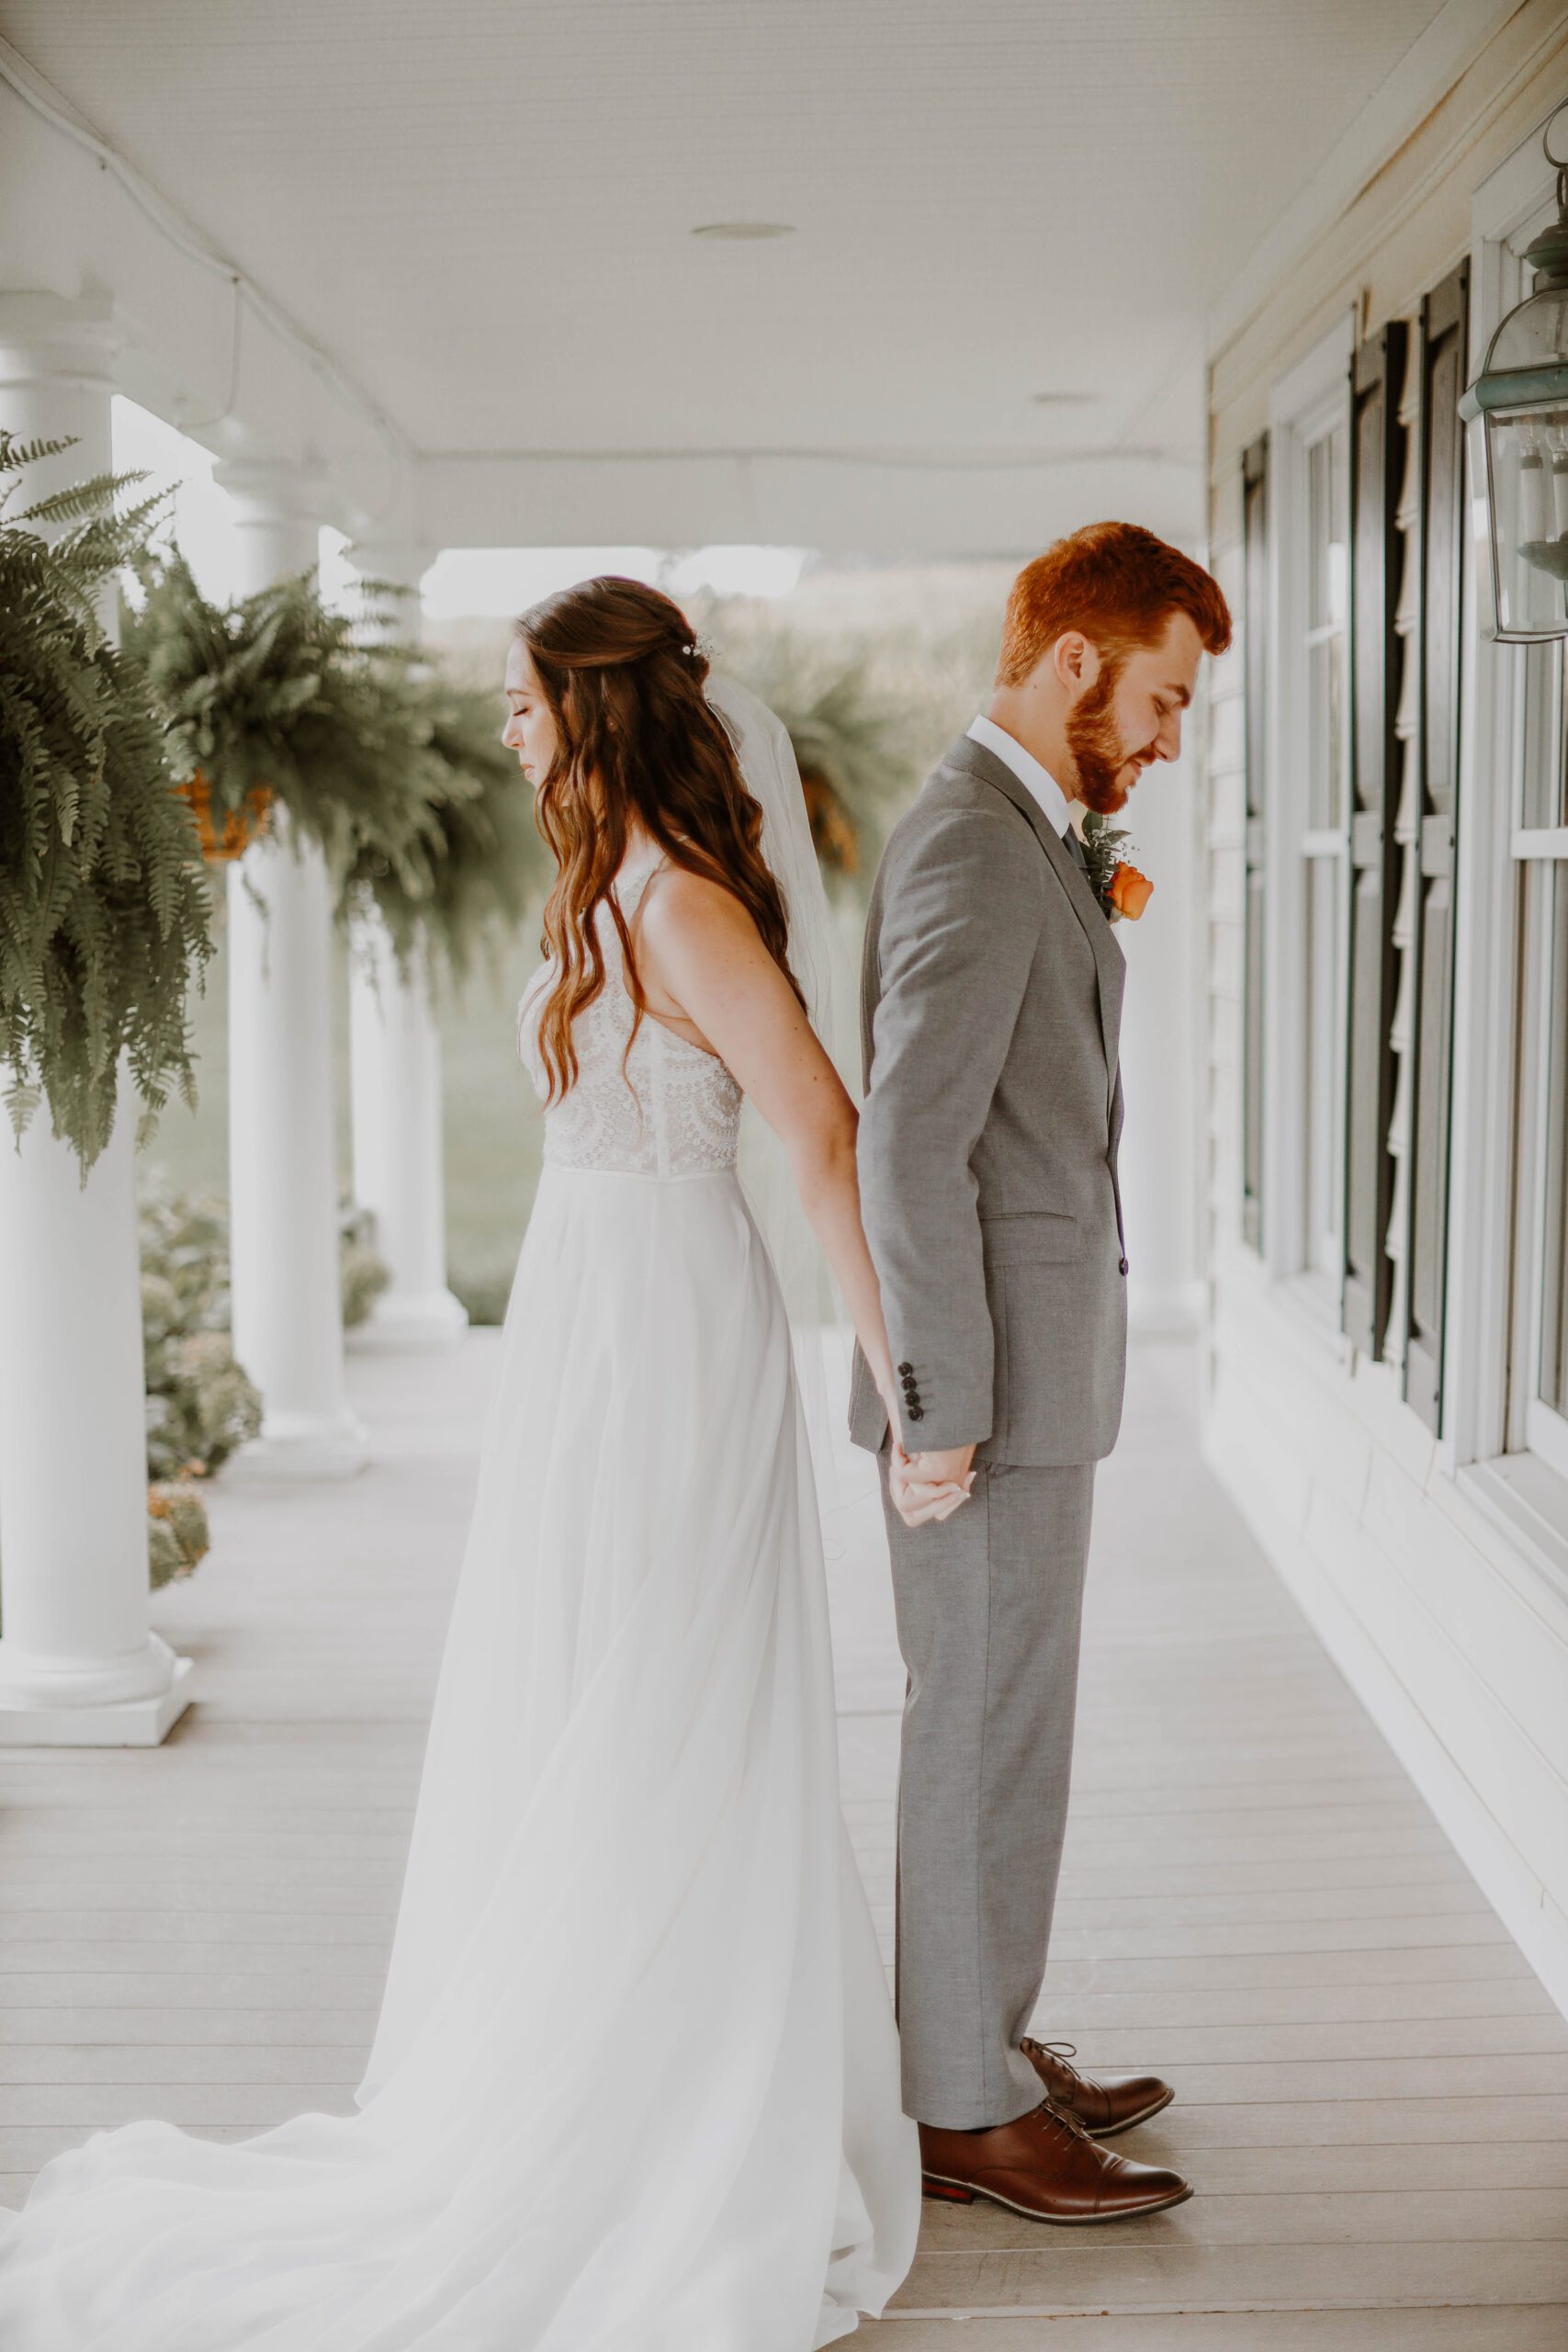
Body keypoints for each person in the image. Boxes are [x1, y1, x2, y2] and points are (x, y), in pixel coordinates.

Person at [0, 578, 935, 2350]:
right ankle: (593, 2052)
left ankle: (665, 2100)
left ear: (592, 708)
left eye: (520, 705)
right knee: (588, 1687)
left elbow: (824, 1134)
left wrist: (908, 1385)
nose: (505, 733)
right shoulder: (615, 892)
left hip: (668, 1329)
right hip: (589, 1333)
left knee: (673, 1695)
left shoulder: (678, 906)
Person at [850, 521, 1233, 2222]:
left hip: (1017, 1376)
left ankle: (981, 2048)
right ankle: (956, 2107)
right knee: (980, 1733)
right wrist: (938, 1410)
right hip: (980, 1400)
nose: (1165, 740)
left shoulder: (1019, 833)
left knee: (1014, 1728)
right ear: (1073, 660)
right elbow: (907, 1149)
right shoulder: (979, 849)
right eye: (1158, 697)